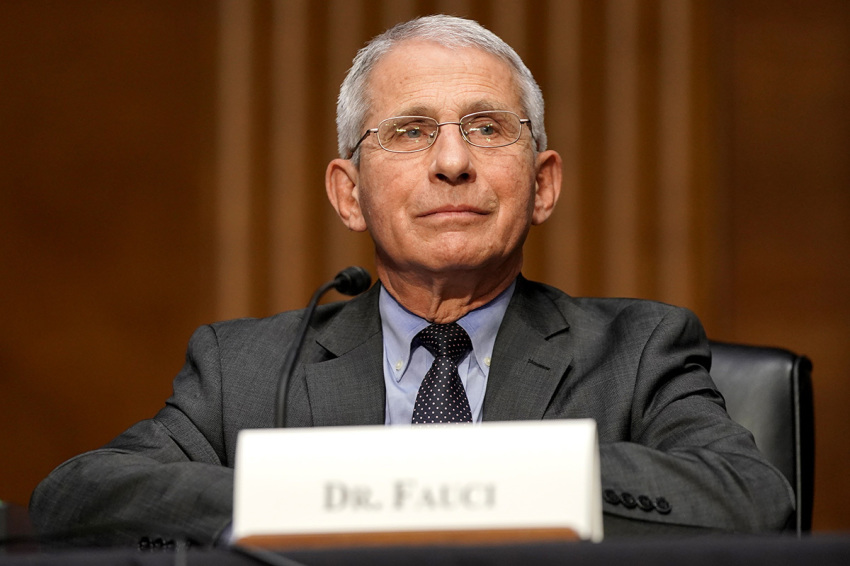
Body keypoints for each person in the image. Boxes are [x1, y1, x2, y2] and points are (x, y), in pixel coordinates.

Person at [30, 15, 793, 546]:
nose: (452, 161)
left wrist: (490, 475)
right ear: (349, 194)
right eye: (411, 131)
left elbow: (752, 499)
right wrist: (315, 495)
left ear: (543, 184)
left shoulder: (639, 349)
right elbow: (75, 496)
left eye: (487, 128)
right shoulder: (244, 371)